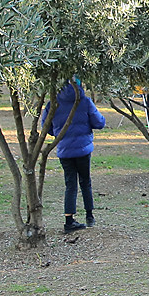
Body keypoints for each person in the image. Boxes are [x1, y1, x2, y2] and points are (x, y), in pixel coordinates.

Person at [50, 79, 107, 232]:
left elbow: (46, 125)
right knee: (85, 181)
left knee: (70, 184)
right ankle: (89, 216)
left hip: (64, 149)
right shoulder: (84, 102)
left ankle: (69, 220)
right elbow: (99, 122)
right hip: (82, 149)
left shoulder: (53, 103)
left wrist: (60, 135)